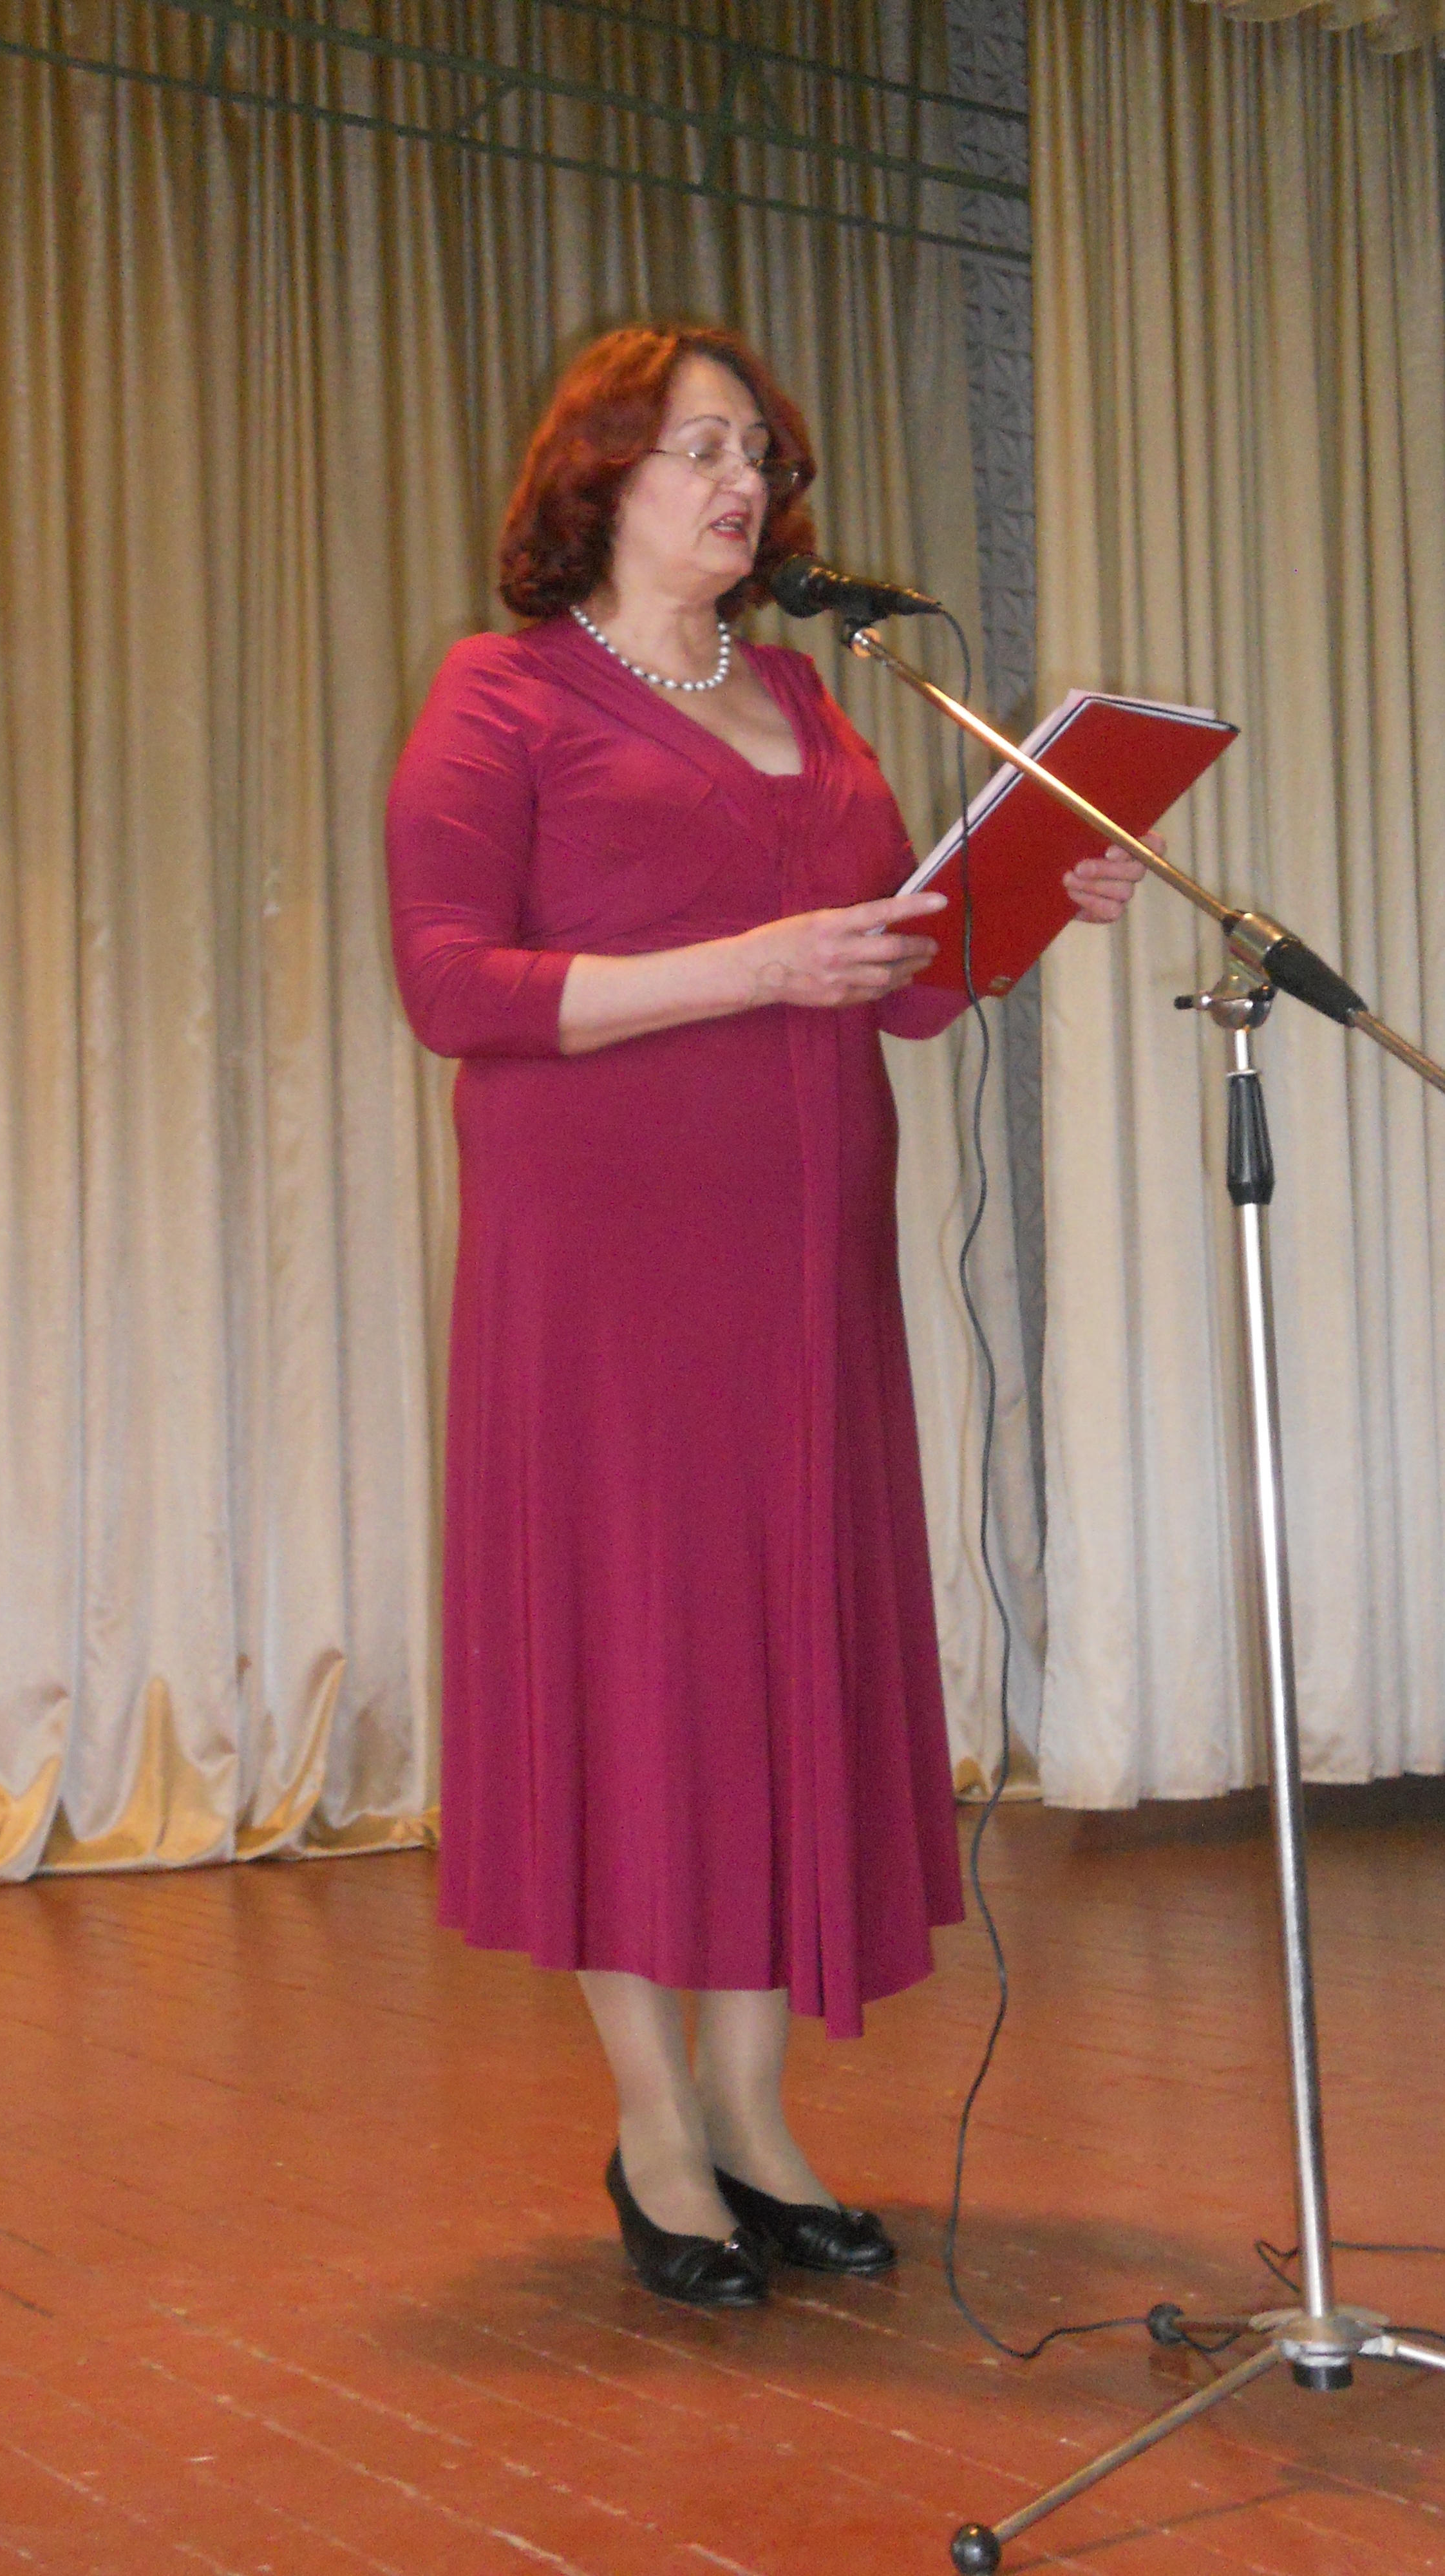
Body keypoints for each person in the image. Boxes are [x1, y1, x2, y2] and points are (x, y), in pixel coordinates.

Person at [386, 325, 1142, 2309]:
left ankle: (753, 2116)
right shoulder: (500, 697)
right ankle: (655, 2129)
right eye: (700, 449)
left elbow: (894, 984)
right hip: (606, 1267)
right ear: (599, 480)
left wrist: (1028, 901)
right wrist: (749, 965)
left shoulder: (806, 692)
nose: (742, 486)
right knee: (640, 1663)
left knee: (766, 1659)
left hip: (806, 1267)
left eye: (758, 457)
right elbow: (453, 984)